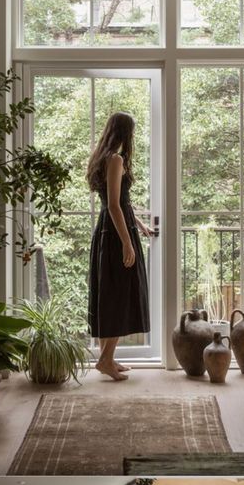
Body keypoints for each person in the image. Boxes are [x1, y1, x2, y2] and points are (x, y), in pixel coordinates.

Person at [87, 111, 152, 381]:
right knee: (118, 294)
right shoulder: (115, 159)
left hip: (109, 229)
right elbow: (113, 205)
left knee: (110, 292)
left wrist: (139, 224)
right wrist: (127, 242)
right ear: (126, 133)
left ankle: (109, 359)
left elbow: (119, 202)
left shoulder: (103, 157)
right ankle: (104, 360)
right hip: (114, 234)